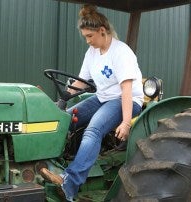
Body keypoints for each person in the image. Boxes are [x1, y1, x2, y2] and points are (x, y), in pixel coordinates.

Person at [40, 4, 144, 201]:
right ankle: (49, 165)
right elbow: (81, 81)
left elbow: (127, 89)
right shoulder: (92, 53)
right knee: (64, 119)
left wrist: (125, 122)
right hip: (102, 97)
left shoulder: (121, 52)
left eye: (90, 36)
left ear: (102, 31)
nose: (87, 41)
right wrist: (62, 99)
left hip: (125, 100)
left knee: (93, 130)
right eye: (85, 37)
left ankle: (69, 183)